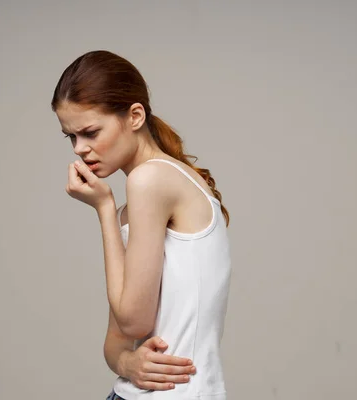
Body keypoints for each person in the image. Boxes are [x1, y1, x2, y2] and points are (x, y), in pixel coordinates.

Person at [50, 50, 232, 400]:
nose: (80, 149)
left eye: (90, 132)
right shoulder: (134, 205)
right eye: (71, 137)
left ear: (135, 116)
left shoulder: (150, 180)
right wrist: (128, 363)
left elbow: (134, 321)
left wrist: (103, 208)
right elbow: (116, 342)